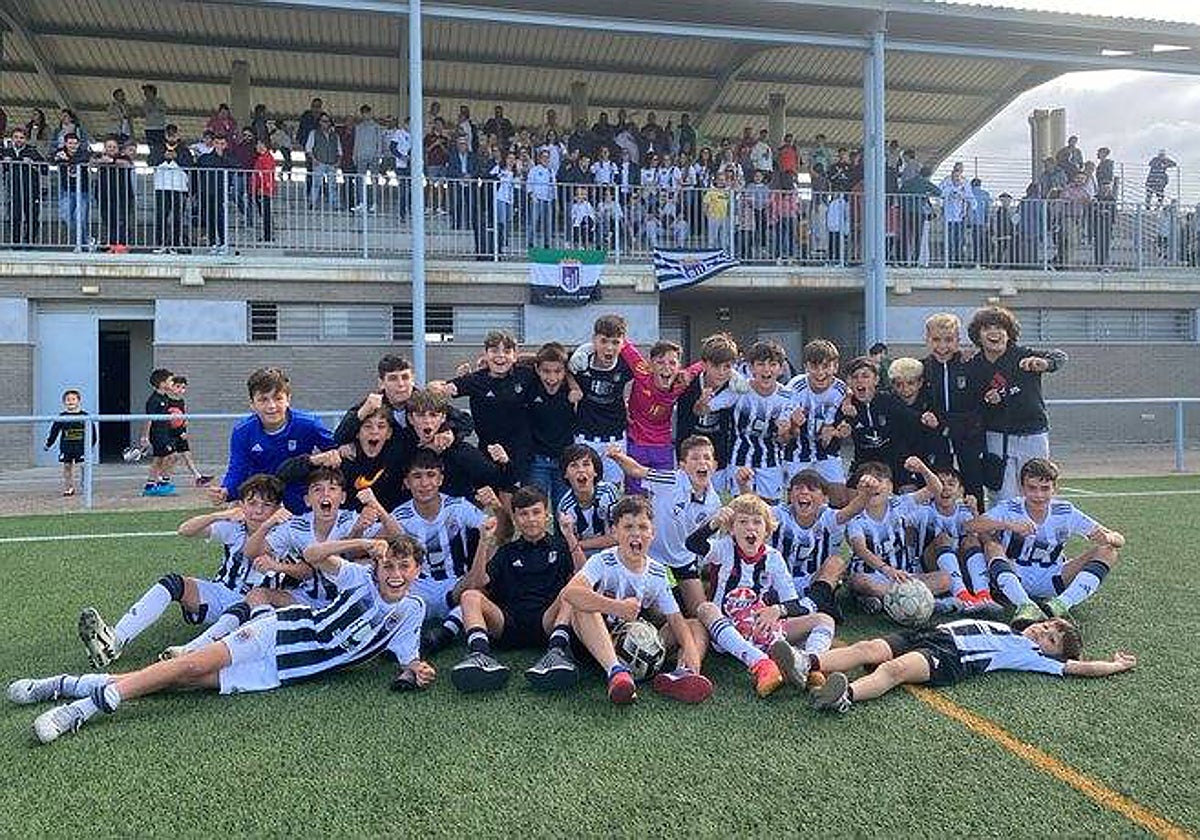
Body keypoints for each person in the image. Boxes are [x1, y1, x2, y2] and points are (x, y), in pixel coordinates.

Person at [11, 536, 433, 745]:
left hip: (280, 672)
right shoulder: (361, 577)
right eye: (389, 564)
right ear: (378, 566)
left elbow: (407, 655)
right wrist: (364, 544)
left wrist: (417, 668)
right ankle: (79, 710)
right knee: (189, 664)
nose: (394, 572)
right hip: (277, 633)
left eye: (404, 566)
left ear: (417, 571)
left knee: (173, 681)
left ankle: (60, 684)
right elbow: (315, 555)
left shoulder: (412, 610)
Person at [75, 474, 284, 667]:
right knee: (173, 583)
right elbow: (185, 530)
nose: (258, 511)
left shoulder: (284, 532)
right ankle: (115, 639)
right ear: (241, 505)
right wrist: (220, 515)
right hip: (221, 592)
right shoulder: (233, 527)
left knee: (243, 607)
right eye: (252, 503)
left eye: (267, 505)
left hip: (254, 603)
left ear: (277, 509)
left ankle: (188, 653)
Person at [806, 617, 1135, 713]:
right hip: (931, 633)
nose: (1042, 632)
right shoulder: (1012, 627)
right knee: (869, 647)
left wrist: (1114, 665)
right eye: (1047, 627)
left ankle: (844, 696)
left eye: (1050, 640)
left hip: (953, 658)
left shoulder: (1031, 656)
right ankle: (807, 661)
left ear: (1052, 655)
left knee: (894, 670)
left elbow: (1080, 668)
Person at [561, 496, 712, 705]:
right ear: (614, 532)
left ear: (652, 533)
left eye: (643, 527)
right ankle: (615, 673)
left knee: (694, 625)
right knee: (582, 606)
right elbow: (570, 594)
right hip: (597, 645)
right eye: (628, 527)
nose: (636, 533)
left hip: (638, 643)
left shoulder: (658, 572)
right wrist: (617, 607)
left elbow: (675, 618)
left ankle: (683, 674)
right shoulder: (602, 560)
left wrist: (689, 649)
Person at [687, 494, 838, 698]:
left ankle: (809, 664)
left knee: (824, 619)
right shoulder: (724, 548)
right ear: (731, 529)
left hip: (763, 627)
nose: (750, 528)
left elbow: (792, 602)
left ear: (767, 531)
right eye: (742, 522)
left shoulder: (773, 557)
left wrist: (777, 610)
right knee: (705, 608)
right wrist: (713, 524)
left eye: (757, 522)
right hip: (726, 630)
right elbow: (692, 544)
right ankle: (761, 664)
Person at [449, 487, 586, 692]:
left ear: (547, 515)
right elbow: (477, 582)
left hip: (548, 624)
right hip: (508, 625)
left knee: (572, 592)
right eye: (523, 514)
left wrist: (569, 535)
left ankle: (557, 653)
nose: (530, 519)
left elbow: (585, 575)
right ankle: (480, 655)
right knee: (469, 595)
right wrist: (484, 543)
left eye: (536, 512)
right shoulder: (506, 552)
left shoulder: (560, 546)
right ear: (514, 517)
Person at [377, 451, 504, 655]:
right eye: (417, 476)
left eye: (431, 475)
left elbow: (503, 534)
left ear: (441, 479)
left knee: (480, 586)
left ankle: (445, 633)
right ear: (407, 483)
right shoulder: (400, 515)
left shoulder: (458, 506)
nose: (424, 483)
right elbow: (370, 546)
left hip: (456, 586)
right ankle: (394, 639)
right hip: (417, 589)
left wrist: (497, 509)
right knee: (379, 576)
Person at [978, 457, 1124, 625]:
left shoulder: (1065, 511)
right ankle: (1025, 605)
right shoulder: (1010, 508)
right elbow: (971, 526)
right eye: (1032, 488)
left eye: (1045, 488)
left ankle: (1061, 604)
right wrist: (1008, 525)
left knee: (1108, 550)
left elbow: (1119, 539)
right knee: (991, 544)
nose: (1038, 495)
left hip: (1054, 580)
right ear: (1021, 488)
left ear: (1055, 489)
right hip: (1014, 577)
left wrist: (1109, 537)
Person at [608, 435, 722, 616]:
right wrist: (617, 456)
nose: (702, 462)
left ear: (714, 466)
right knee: (656, 614)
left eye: (707, 458)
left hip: (684, 559)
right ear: (682, 466)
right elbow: (637, 470)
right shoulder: (671, 479)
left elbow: (703, 541)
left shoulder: (714, 503)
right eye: (695, 458)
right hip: (653, 554)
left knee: (700, 612)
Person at [964, 306, 1066, 501]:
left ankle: (1035, 531)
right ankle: (1003, 532)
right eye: (987, 328)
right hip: (997, 436)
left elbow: (1060, 356)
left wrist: (1044, 364)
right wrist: (987, 400)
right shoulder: (975, 365)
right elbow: (973, 402)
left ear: (1009, 334)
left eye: (1000, 328)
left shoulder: (1022, 354)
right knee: (1001, 495)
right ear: (978, 335)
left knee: (1036, 493)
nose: (994, 333)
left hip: (1033, 434)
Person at [844, 459, 963, 616]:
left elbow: (935, 488)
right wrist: (887, 570)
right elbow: (861, 550)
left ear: (891, 487)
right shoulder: (856, 515)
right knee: (859, 581)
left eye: (879, 481)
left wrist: (922, 468)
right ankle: (928, 603)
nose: (873, 486)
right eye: (868, 483)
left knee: (945, 579)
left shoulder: (899, 504)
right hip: (872, 575)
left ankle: (881, 601)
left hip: (903, 576)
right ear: (860, 489)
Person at [209, 367, 334, 514]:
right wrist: (226, 490)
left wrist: (337, 453)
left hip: (298, 499)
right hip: (261, 502)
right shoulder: (243, 431)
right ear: (252, 404)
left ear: (288, 399)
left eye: (278, 398)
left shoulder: (308, 424)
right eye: (263, 400)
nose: (272, 406)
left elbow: (335, 449)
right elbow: (238, 468)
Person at [769, 469, 877, 622]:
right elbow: (753, 510)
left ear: (824, 498)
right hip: (779, 582)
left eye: (812, 489)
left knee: (836, 562)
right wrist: (744, 486)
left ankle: (809, 605)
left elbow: (852, 510)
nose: (804, 492)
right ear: (789, 495)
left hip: (814, 581)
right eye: (798, 488)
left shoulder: (829, 517)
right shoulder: (778, 514)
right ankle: (818, 606)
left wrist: (865, 494)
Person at [697, 339, 797, 502]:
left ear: (780, 368)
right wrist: (702, 402)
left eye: (772, 364)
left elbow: (785, 439)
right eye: (760, 364)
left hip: (771, 460)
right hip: (739, 459)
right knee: (742, 507)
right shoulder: (739, 390)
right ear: (751, 368)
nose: (766, 370)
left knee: (769, 511)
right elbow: (703, 410)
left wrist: (786, 430)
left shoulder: (787, 397)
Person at [432, 329, 536, 485]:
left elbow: (549, 358)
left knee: (521, 503)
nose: (500, 355)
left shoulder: (525, 375)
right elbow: (435, 390)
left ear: (514, 355)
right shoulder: (475, 380)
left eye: (507, 351)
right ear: (485, 354)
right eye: (494, 351)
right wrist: (444, 426)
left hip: (520, 454)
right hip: (488, 452)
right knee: (487, 502)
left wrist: (520, 358)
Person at [568, 315, 636, 484]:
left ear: (623, 343)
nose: (609, 347)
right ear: (594, 340)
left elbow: (650, 371)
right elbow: (559, 363)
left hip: (615, 439)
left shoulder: (626, 365)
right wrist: (573, 385)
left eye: (615, 342)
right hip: (584, 437)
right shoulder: (581, 361)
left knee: (613, 491)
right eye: (604, 341)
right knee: (584, 489)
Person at [784, 339, 849, 503]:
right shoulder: (794, 388)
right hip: (798, 452)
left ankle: (834, 529)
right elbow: (785, 433)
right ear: (806, 367)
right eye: (814, 366)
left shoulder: (841, 391)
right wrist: (793, 424)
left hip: (827, 452)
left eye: (826, 366)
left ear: (835, 366)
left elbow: (847, 424)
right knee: (798, 501)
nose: (820, 372)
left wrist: (839, 430)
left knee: (840, 499)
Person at [524, 343, 577, 509]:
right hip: (537, 460)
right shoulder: (531, 385)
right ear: (537, 370)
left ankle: (562, 537)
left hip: (565, 460)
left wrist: (573, 383)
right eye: (546, 371)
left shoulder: (571, 390)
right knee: (535, 507)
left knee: (563, 509)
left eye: (558, 371)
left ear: (565, 371)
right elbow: (514, 360)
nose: (552, 378)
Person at [556, 444, 620, 556]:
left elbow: (617, 537)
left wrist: (579, 544)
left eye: (586, 464)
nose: (581, 470)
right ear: (565, 474)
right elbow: (570, 548)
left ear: (595, 471)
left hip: (610, 554)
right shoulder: (564, 507)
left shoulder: (608, 492)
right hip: (582, 558)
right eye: (574, 466)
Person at [44, 389, 95, 496]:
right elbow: (54, 432)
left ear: (78, 401)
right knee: (67, 467)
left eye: (73, 399)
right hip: (66, 447)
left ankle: (85, 485)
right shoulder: (61, 417)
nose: (70, 402)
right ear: (64, 402)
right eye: (68, 400)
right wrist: (48, 444)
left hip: (81, 448)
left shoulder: (85, 416)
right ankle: (69, 488)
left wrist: (90, 446)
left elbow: (93, 433)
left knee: (83, 467)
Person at [3, 126, 45, 246]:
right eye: (16, 137)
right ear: (11, 138)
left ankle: (30, 242)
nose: (18, 140)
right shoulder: (6, 152)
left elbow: (45, 168)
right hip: (14, 191)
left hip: (31, 190)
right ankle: (15, 243)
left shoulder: (32, 151)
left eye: (21, 138)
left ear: (25, 139)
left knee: (32, 217)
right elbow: (3, 170)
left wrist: (33, 163)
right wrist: (5, 164)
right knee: (15, 217)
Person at [139, 368, 177, 496]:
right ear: (162, 383)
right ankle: (163, 483)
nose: (172, 383)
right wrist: (145, 436)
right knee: (171, 456)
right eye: (170, 381)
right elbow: (148, 419)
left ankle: (150, 485)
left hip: (166, 432)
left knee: (159, 459)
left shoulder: (165, 397)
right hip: (158, 434)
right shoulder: (153, 400)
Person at [151, 142, 189, 253]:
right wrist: (164, 156)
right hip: (161, 187)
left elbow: (189, 164)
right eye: (169, 134)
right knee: (161, 216)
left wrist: (177, 157)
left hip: (179, 187)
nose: (171, 137)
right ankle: (160, 244)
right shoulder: (158, 148)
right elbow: (151, 162)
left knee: (177, 217)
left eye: (173, 134)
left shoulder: (184, 149)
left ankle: (175, 245)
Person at [249, 138, 276, 241]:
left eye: (259, 145)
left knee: (265, 213)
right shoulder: (262, 157)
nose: (257, 147)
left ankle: (267, 235)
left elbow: (265, 175)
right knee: (264, 213)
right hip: (260, 189)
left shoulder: (266, 158)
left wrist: (262, 187)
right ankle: (267, 234)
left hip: (263, 191)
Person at [141, 84, 167, 155]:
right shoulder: (145, 103)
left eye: (147, 91)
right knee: (152, 147)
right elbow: (144, 113)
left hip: (159, 128)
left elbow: (162, 111)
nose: (145, 94)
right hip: (149, 128)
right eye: (145, 92)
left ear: (152, 92)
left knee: (160, 147)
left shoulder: (160, 102)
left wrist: (153, 105)